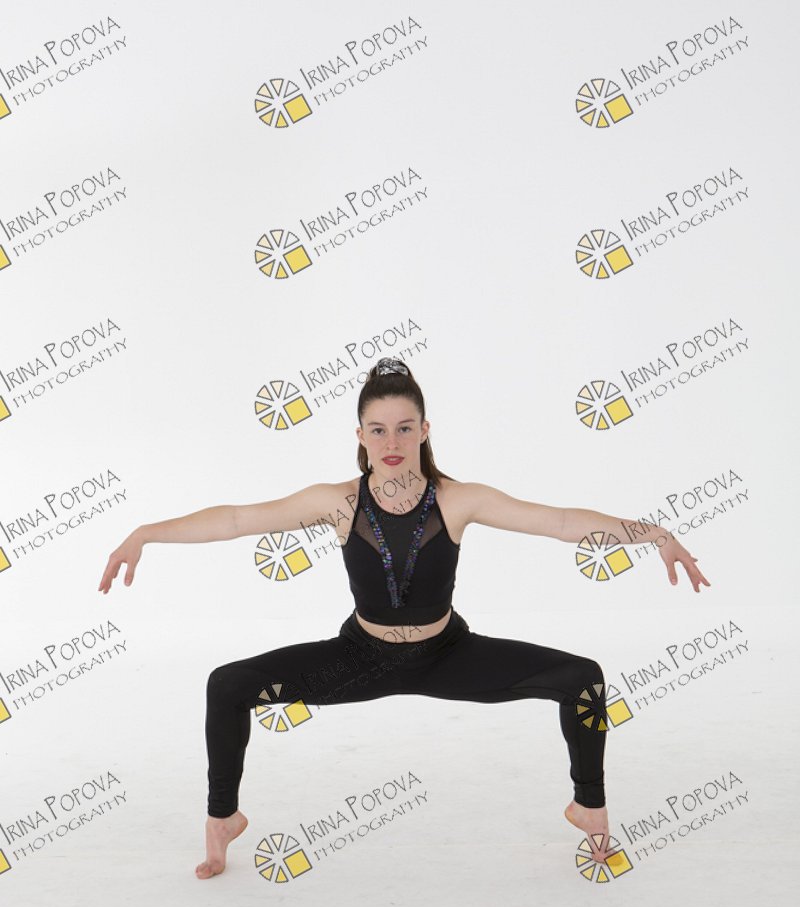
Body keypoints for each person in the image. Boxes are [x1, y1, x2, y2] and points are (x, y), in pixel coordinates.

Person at [98, 357, 711, 879]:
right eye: (378, 429)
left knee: (583, 680)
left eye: (404, 428)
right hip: (359, 658)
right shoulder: (339, 502)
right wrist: (145, 533)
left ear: (423, 431)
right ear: (360, 435)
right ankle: (223, 819)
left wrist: (653, 534)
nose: (391, 442)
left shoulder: (457, 499)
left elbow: (559, 522)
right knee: (228, 685)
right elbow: (237, 519)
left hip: (448, 655)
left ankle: (589, 808)